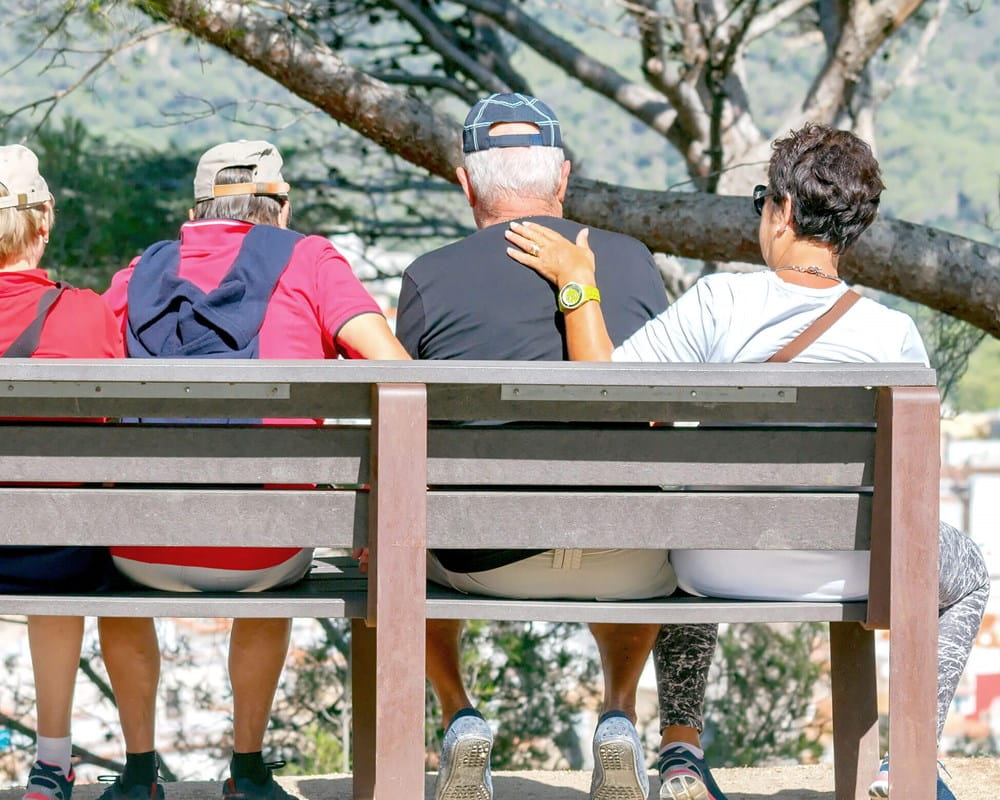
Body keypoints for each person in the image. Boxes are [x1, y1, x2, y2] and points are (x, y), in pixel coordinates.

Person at [506, 122, 990, 800]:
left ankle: (681, 751)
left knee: (684, 518)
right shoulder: (893, 334)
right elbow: (914, 485)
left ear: (784, 211)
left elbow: (605, 394)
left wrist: (577, 282)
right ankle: (909, 762)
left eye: (763, 200)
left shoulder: (718, 302)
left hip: (713, 566)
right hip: (852, 567)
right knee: (970, 575)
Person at [397, 92, 689, 800]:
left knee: (404, 545)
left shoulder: (429, 277)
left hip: (484, 560)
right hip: (627, 560)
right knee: (632, 531)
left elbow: (402, 433)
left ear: (466, 183)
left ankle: (459, 714)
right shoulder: (631, 261)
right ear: (562, 176)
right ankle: (619, 715)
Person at [97, 140, 409, 800]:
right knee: (272, 525)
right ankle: (247, 769)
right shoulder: (310, 258)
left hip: (139, 548)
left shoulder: (139, 272)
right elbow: (396, 369)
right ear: (281, 208)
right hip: (263, 551)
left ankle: (139, 772)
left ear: (195, 213)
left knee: (113, 561)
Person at [0, 144, 124, 800]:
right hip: (58, 556)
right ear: (43, 222)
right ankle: (52, 763)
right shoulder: (85, 312)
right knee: (60, 520)